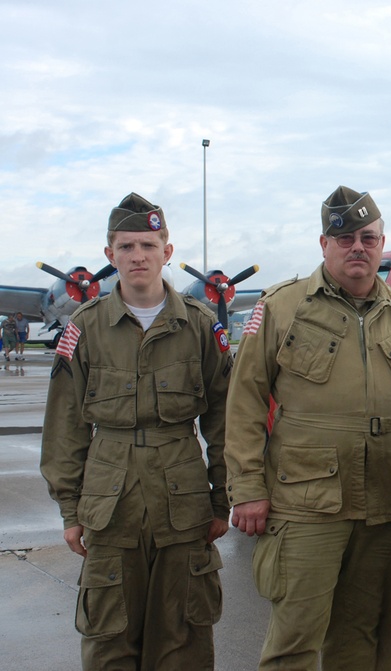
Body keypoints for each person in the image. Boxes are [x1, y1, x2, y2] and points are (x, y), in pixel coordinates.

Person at [225, 186, 391, 670]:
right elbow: (243, 404)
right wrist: (246, 489)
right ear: (323, 244)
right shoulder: (282, 308)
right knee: (295, 643)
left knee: (366, 640)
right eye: (344, 237)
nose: (357, 247)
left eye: (368, 237)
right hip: (306, 503)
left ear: (382, 243)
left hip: (386, 504)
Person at [39, 192, 233, 670]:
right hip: (110, 506)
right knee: (110, 640)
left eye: (148, 244)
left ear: (167, 251)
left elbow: (226, 420)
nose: (138, 256)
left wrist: (223, 498)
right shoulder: (84, 330)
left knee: (184, 641)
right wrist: (70, 509)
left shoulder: (200, 326)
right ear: (110, 256)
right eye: (126, 247)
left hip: (184, 504)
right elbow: (65, 426)